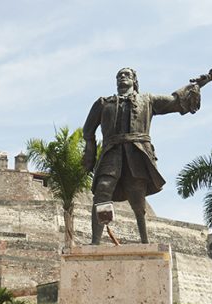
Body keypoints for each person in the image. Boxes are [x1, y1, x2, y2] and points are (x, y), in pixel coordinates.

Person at [83, 67, 203, 244]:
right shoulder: (103, 103)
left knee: (137, 197)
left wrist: (197, 85)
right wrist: (89, 156)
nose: (122, 77)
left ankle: (145, 242)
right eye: (119, 75)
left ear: (134, 81)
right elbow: (88, 132)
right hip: (111, 153)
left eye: (127, 75)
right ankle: (95, 242)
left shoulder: (147, 100)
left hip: (137, 153)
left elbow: (174, 101)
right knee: (102, 191)